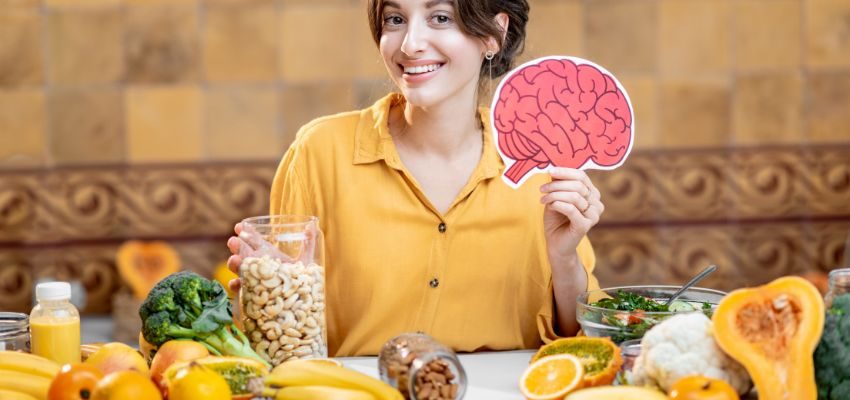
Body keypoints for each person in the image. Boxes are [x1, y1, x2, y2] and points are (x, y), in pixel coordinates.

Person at [227, 0, 605, 357]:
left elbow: (585, 344)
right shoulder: (319, 152)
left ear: (493, 34)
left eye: (440, 17)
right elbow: (289, 339)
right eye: (395, 19)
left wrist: (564, 258)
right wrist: (273, 295)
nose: (410, 44)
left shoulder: (542, 164)